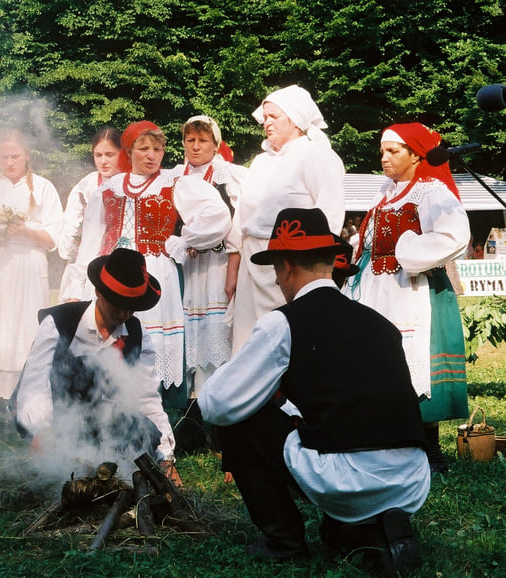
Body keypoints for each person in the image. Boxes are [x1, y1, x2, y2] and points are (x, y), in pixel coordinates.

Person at [199, 208, 429, 574]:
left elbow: (215, 404)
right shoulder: (381, 325)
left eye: (277, 271)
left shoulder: (283, 322)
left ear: (286, 267)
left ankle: (283, 541)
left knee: (238, 420)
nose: (278, 282)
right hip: (412, 479)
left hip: (346, 477)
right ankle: (358, 528)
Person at [345, 122, 471, 474]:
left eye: (393, 151)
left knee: (414, 360)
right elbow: (369, 237)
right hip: (377, 288)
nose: (384, 157)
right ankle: (389, 439)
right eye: (383, 150)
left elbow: (454, 236)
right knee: (379, 357)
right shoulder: (384, 191)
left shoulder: (432, 192)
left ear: (416, 155)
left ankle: (429, 446)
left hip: (413, 288)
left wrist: (410, 251)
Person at [75, 120, 232, 402]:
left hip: (154, 270)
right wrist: (78, 286)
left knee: (150, 342)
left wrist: (186, 239)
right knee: (109, 337)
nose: (152, 155)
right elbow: (90, 239)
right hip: (112, 271)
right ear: (129, 150)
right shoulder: (108, 188)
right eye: (144, 148)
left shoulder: (174, 183)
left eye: (158, 149)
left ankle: (154, 413)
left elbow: (218, 215)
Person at [15, 248, 176, 480]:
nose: (123, 313)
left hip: (105, 422)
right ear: (98, 291)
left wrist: (166, 458)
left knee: (140, 433)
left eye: (131, 306)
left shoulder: (137, 334)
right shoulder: (59, 323)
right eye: (117, 303)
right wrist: (43, 431)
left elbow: (146, 398)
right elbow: (34, 386)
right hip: (60, 420)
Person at [226, 85, 345, 354]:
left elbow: (330, 213)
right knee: (248, 339)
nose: (266, 122)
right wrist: (233, 264)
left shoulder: (317, 156)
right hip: (251, 262)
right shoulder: (260, 162)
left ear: (295, 119)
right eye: (265, 117)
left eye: (274, 117)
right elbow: (242, 215)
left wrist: (317, 266)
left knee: (288, 335)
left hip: (293, 263)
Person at [0, 130, 64, 409]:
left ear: (26, 156)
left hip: (28, 265)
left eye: (15, 156)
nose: (9, 162)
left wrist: (24, 229)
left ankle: (25, 399)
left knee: (26, 331)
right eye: (4, 157)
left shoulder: (43, 188)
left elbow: (55, 237)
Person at [171, 115, 248, 408]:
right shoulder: (175, 176)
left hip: (216, 265)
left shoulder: (229, 176)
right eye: (190, 140)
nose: (196, 146)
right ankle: (188, 406)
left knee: (216, 332)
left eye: (203, 140)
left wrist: (233, 270)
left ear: (216, 145)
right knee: (187, 330)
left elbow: (237, 225)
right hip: (186, 266)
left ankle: (215, 403)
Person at [57, 126, 122, 302]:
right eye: (98, 155)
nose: (103, 161)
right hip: (84, 259)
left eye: (110, 155)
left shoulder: (129, 184)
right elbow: (70, 226)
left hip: (117, 261)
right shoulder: (86, 186)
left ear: (122, 153)